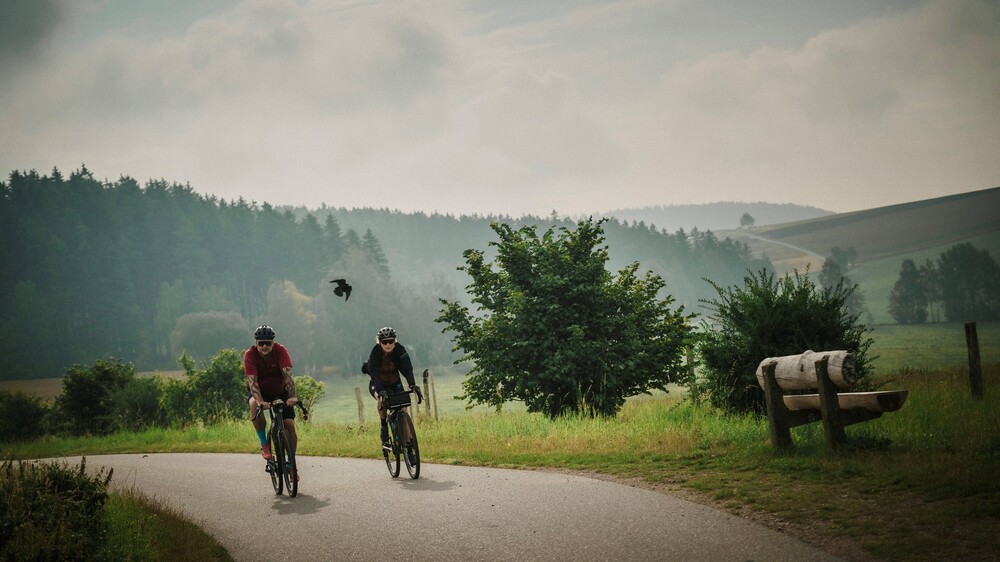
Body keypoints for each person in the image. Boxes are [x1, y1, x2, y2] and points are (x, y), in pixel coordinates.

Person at [244, 324, 300, 481]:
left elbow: (288, 376)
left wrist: (292, 396)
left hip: (280, 392)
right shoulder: (250, 354)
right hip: (260, 392)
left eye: (267, 343)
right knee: (253, 404)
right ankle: (264, 444)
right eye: (261, 343)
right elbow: (252, 382)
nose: (264, 346)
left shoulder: (281, 350)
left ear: (273, 343)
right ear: (256, 343)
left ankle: (291, 465)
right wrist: (260, 401)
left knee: (289, 425)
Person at [365, 326, 423, 448]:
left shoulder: (400, 350)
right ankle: (384, 426)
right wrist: (380, 391)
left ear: (395, 341)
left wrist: (412, 385)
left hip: (394, 382)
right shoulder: (375, 353)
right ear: (379, 342)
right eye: (384, 342)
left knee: (402, 411)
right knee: (381, 400)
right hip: (377, 383)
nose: (388, 344)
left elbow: (407, 369)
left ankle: (408, 446)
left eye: (391, 341)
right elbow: (375, 375)